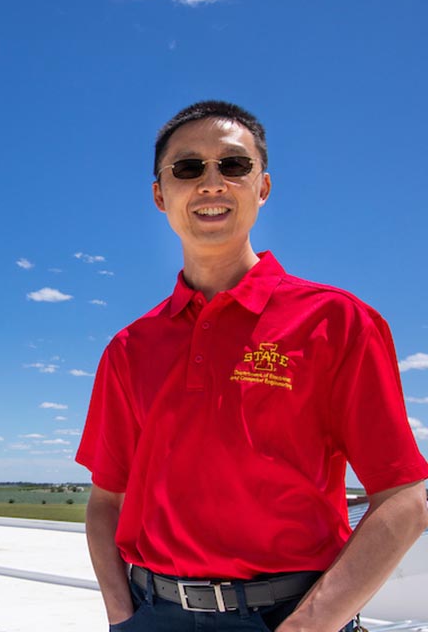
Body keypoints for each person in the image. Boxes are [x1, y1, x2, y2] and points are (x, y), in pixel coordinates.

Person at [75, 100, 428, 632]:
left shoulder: (336, 321)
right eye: (188, 168)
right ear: (160, 194)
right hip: (153, 615)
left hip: (289, 616)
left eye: (233, 165)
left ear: (262, 187)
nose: (212, 182)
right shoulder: (129, 347)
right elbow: (106, 501)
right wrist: (122, 616)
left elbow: (403, 499)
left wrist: (310, 625)